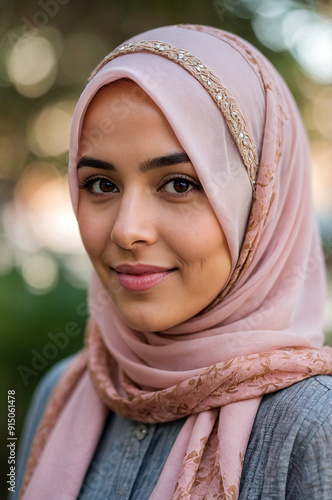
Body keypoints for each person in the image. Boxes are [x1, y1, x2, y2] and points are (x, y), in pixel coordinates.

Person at [14, 24, 332, 500]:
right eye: (102, 184)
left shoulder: (312, 426)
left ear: (262, 203)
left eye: (179, 184)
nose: (127, 230)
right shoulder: (62, 391)